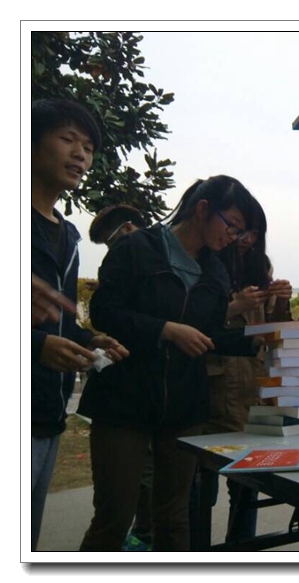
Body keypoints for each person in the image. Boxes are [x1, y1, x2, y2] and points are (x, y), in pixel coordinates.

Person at [78, 175, 260, 551]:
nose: (233, 237)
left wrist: (261, 342)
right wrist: (166, 330)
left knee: (175, 520)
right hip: (123, 401)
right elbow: (104, 312)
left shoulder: (216, 271)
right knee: (114, 519)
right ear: (203, 209)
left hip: (183, 406)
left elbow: (208, 336)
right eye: (232, 225)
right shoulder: (137, 248)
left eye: (240, 232)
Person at [31, 98, 129, 551]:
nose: (80, 155)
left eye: (88, 147)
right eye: (67, 139)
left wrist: (91, 339)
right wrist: (34, 347)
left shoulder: (68, 235)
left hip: (47, 413)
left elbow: (61, 323)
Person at [198, 211, 293, 545]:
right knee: (202, 482)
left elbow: (276, 334)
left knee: (246, 486)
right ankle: (195, 551)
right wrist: (234, 306)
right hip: (213, 390)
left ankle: (240, 552)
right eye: (241, 231)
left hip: (255, 392)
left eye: (255, 232)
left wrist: (282, 301)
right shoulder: (206, 265)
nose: (247, 239)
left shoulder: (260, 269)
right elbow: (194, 322)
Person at [89, 204, 153, 551]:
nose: (110, 251)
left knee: (157, 504)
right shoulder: (117, 268)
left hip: (158, 401)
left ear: (128, 228)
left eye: (110, 241)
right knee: (114, 514)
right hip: (121, 403)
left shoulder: (162, 265)